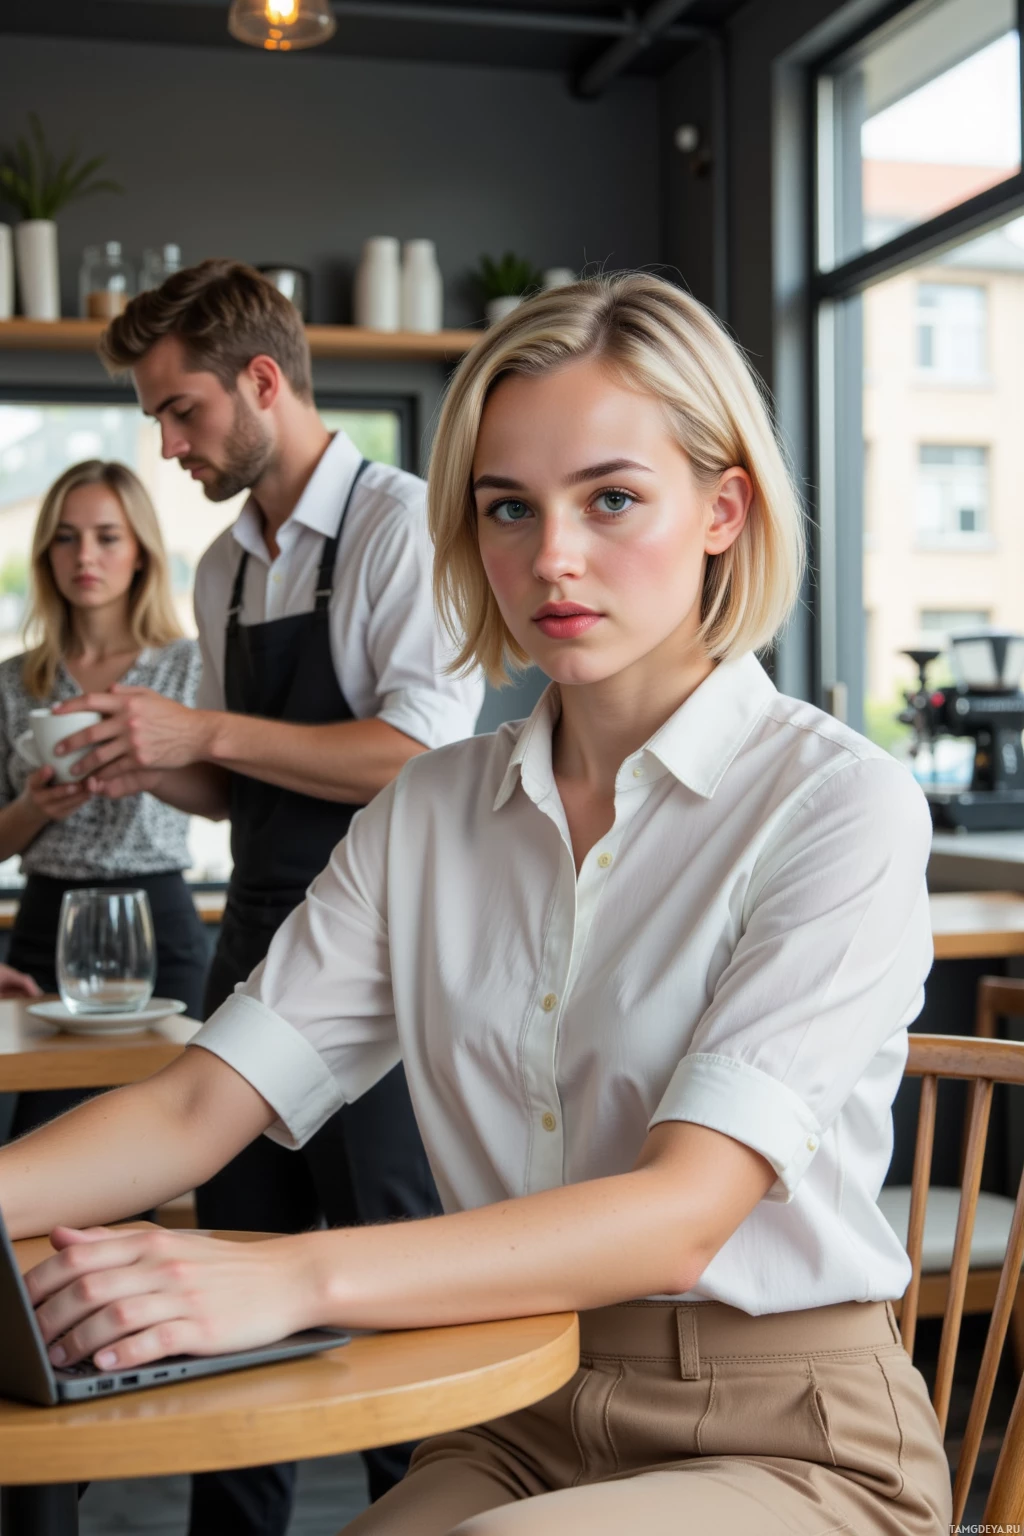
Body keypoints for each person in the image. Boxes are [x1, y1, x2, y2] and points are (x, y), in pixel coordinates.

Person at [0, 274, 951, 1536]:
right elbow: (194, 1105)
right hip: (515, 1413)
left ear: (723, 510)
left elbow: (679, 1218)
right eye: (509, 508)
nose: (550, 556)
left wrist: (282, 1277)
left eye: (612, 499)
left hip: (791, 1434)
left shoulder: (838, 804)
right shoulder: (430, 814)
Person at [44, 260, 483, 1527]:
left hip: (387, 962)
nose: (166, 443)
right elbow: (250, 790)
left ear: (262, 381)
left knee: (386, 1295)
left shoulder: (402, 525)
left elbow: (419, 760)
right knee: (225, 1283)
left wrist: (207, 734)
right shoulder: (233, 561)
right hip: (253, 936)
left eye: (179, 411)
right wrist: (143, 760)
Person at [0, 459, 207, 1141]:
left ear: (142, 552)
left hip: (158, 917)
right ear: (45, 555)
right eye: (65, 537)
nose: (85, 555)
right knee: (42, 1141)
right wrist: (34, 809)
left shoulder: (189, 666)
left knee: (150, 1144)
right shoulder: (14, 679)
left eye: (107, 536)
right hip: (43, 925)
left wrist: (143, 765)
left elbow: (225, 802)